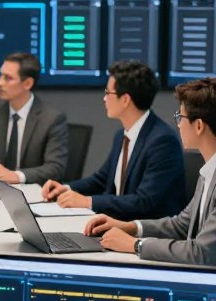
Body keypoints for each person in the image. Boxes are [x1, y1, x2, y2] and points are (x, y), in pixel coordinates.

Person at [85, 77, 216, 269]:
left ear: (199, 125)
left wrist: (134, 244)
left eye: (180, 117)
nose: (178, 124)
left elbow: (200, 252)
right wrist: (130, 227)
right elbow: (182, 224)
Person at [41, 59, 184, 220]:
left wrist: (88, 201)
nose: (104, 99)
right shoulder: (122, 135)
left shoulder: (162, 141)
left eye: (108, 93)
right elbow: (101, 179)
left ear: (125, 100)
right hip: (116, 223)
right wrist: (66, 188)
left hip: (144, 233)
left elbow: (143, 201)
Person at [0, 52, 68, 186]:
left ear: (27, 83)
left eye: (8, 78)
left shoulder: (51, 118)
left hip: (36, 194)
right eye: (0, 76)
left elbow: (55, 168)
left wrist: (16, 176)